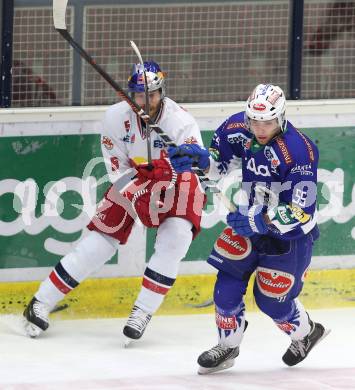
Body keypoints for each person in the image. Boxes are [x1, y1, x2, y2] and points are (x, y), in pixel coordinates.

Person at [23, 61, 206, 341]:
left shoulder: (180, 120)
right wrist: (139, 194)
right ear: (131, 94)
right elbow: (116, 167)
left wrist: (188, 157)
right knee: (99, 244)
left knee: (175, 239)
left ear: (162, 92)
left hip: (174, 182)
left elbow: (196, 161)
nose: (147, 101)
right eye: (141, 95)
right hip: (132, 178)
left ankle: (142, 312)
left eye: (153, 95)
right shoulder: (114, 118)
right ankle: (40, 302)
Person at [168, 84, 329, 374]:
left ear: (280, 118)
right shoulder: (237, 128)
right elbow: (218, 166)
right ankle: (228, 345)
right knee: (226, 287)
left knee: (271, 302)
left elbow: (301, 212)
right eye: (254, 121)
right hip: (250, 223)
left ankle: (307, 333)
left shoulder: (299, 151)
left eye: (267, 122)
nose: (259, 128)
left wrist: (260, 219)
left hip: (289, 236)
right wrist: (201, 161)